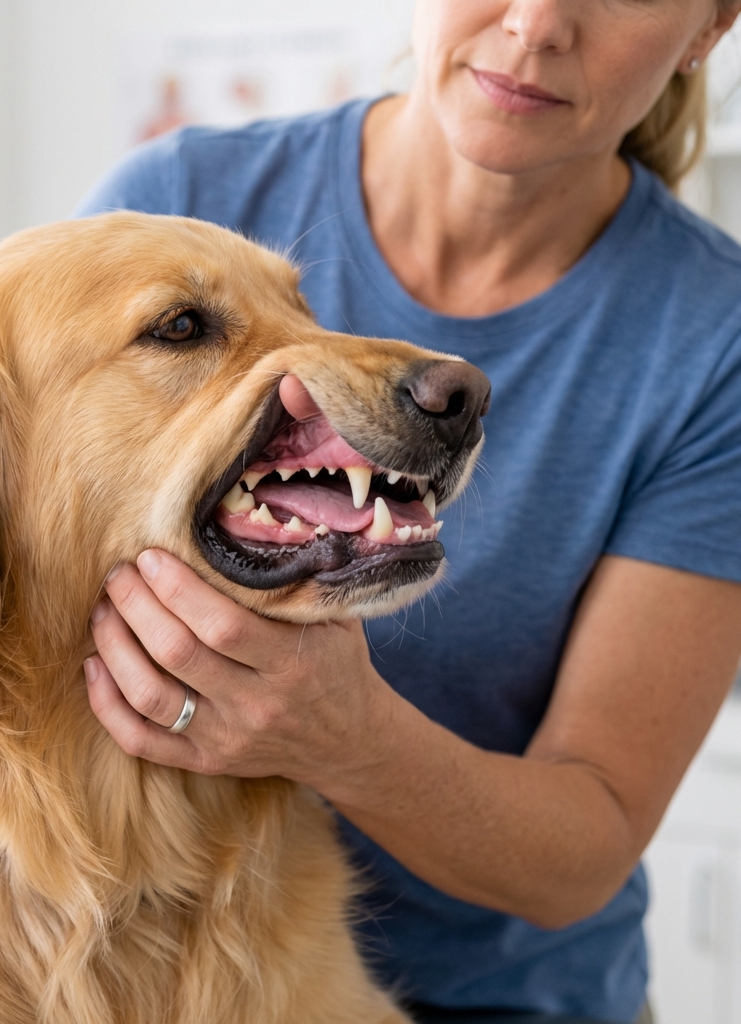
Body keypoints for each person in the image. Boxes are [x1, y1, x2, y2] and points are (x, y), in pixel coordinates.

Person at [75, 2, 741, 1021]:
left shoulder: (712, 344)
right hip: (161, 978)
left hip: (506, 1001)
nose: (535, 26)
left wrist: (343, 735)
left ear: (709, 27)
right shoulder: (184, 202)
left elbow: (584, 849)